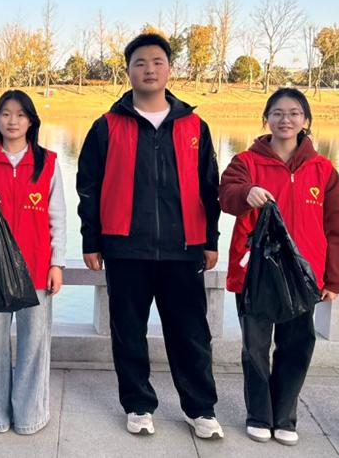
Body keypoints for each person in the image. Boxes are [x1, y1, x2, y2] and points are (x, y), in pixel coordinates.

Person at [76, 33, 223, 439]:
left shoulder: (194, 126)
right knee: (128, 332)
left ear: (170, 68)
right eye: (140, 62)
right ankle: (138, 404)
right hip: (125, 246)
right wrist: (92, 240)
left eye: (157, 61)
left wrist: (211, 240)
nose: (149, 69)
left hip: (183, 247)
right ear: (128, 71)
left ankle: (200, 408)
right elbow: (88, 186)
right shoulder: (107, 126)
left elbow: (209, 186)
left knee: (190, 333)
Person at [220, 88, 339, 446]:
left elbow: (337, 228)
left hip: (303, 277)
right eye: (277, 113)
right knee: (255, 349)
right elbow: (226, 195)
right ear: (267, 119)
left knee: (296, 346)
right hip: (256, 273)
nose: (285, 119)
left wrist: (333, 278)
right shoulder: (246, 162)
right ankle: (259, 415)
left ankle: (285, 417)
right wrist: (246, 193)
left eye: (293, 113)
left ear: (305, 120)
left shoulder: (323, 170)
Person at [0, 89, 66, 435]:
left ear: (31, 121)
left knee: (33, 345)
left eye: (20, 114)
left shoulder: (48, 162)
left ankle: (28, 416)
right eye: (6, 114)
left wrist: (57, 263)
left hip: (37, 267)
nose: (12, 121)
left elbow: (57, 217)